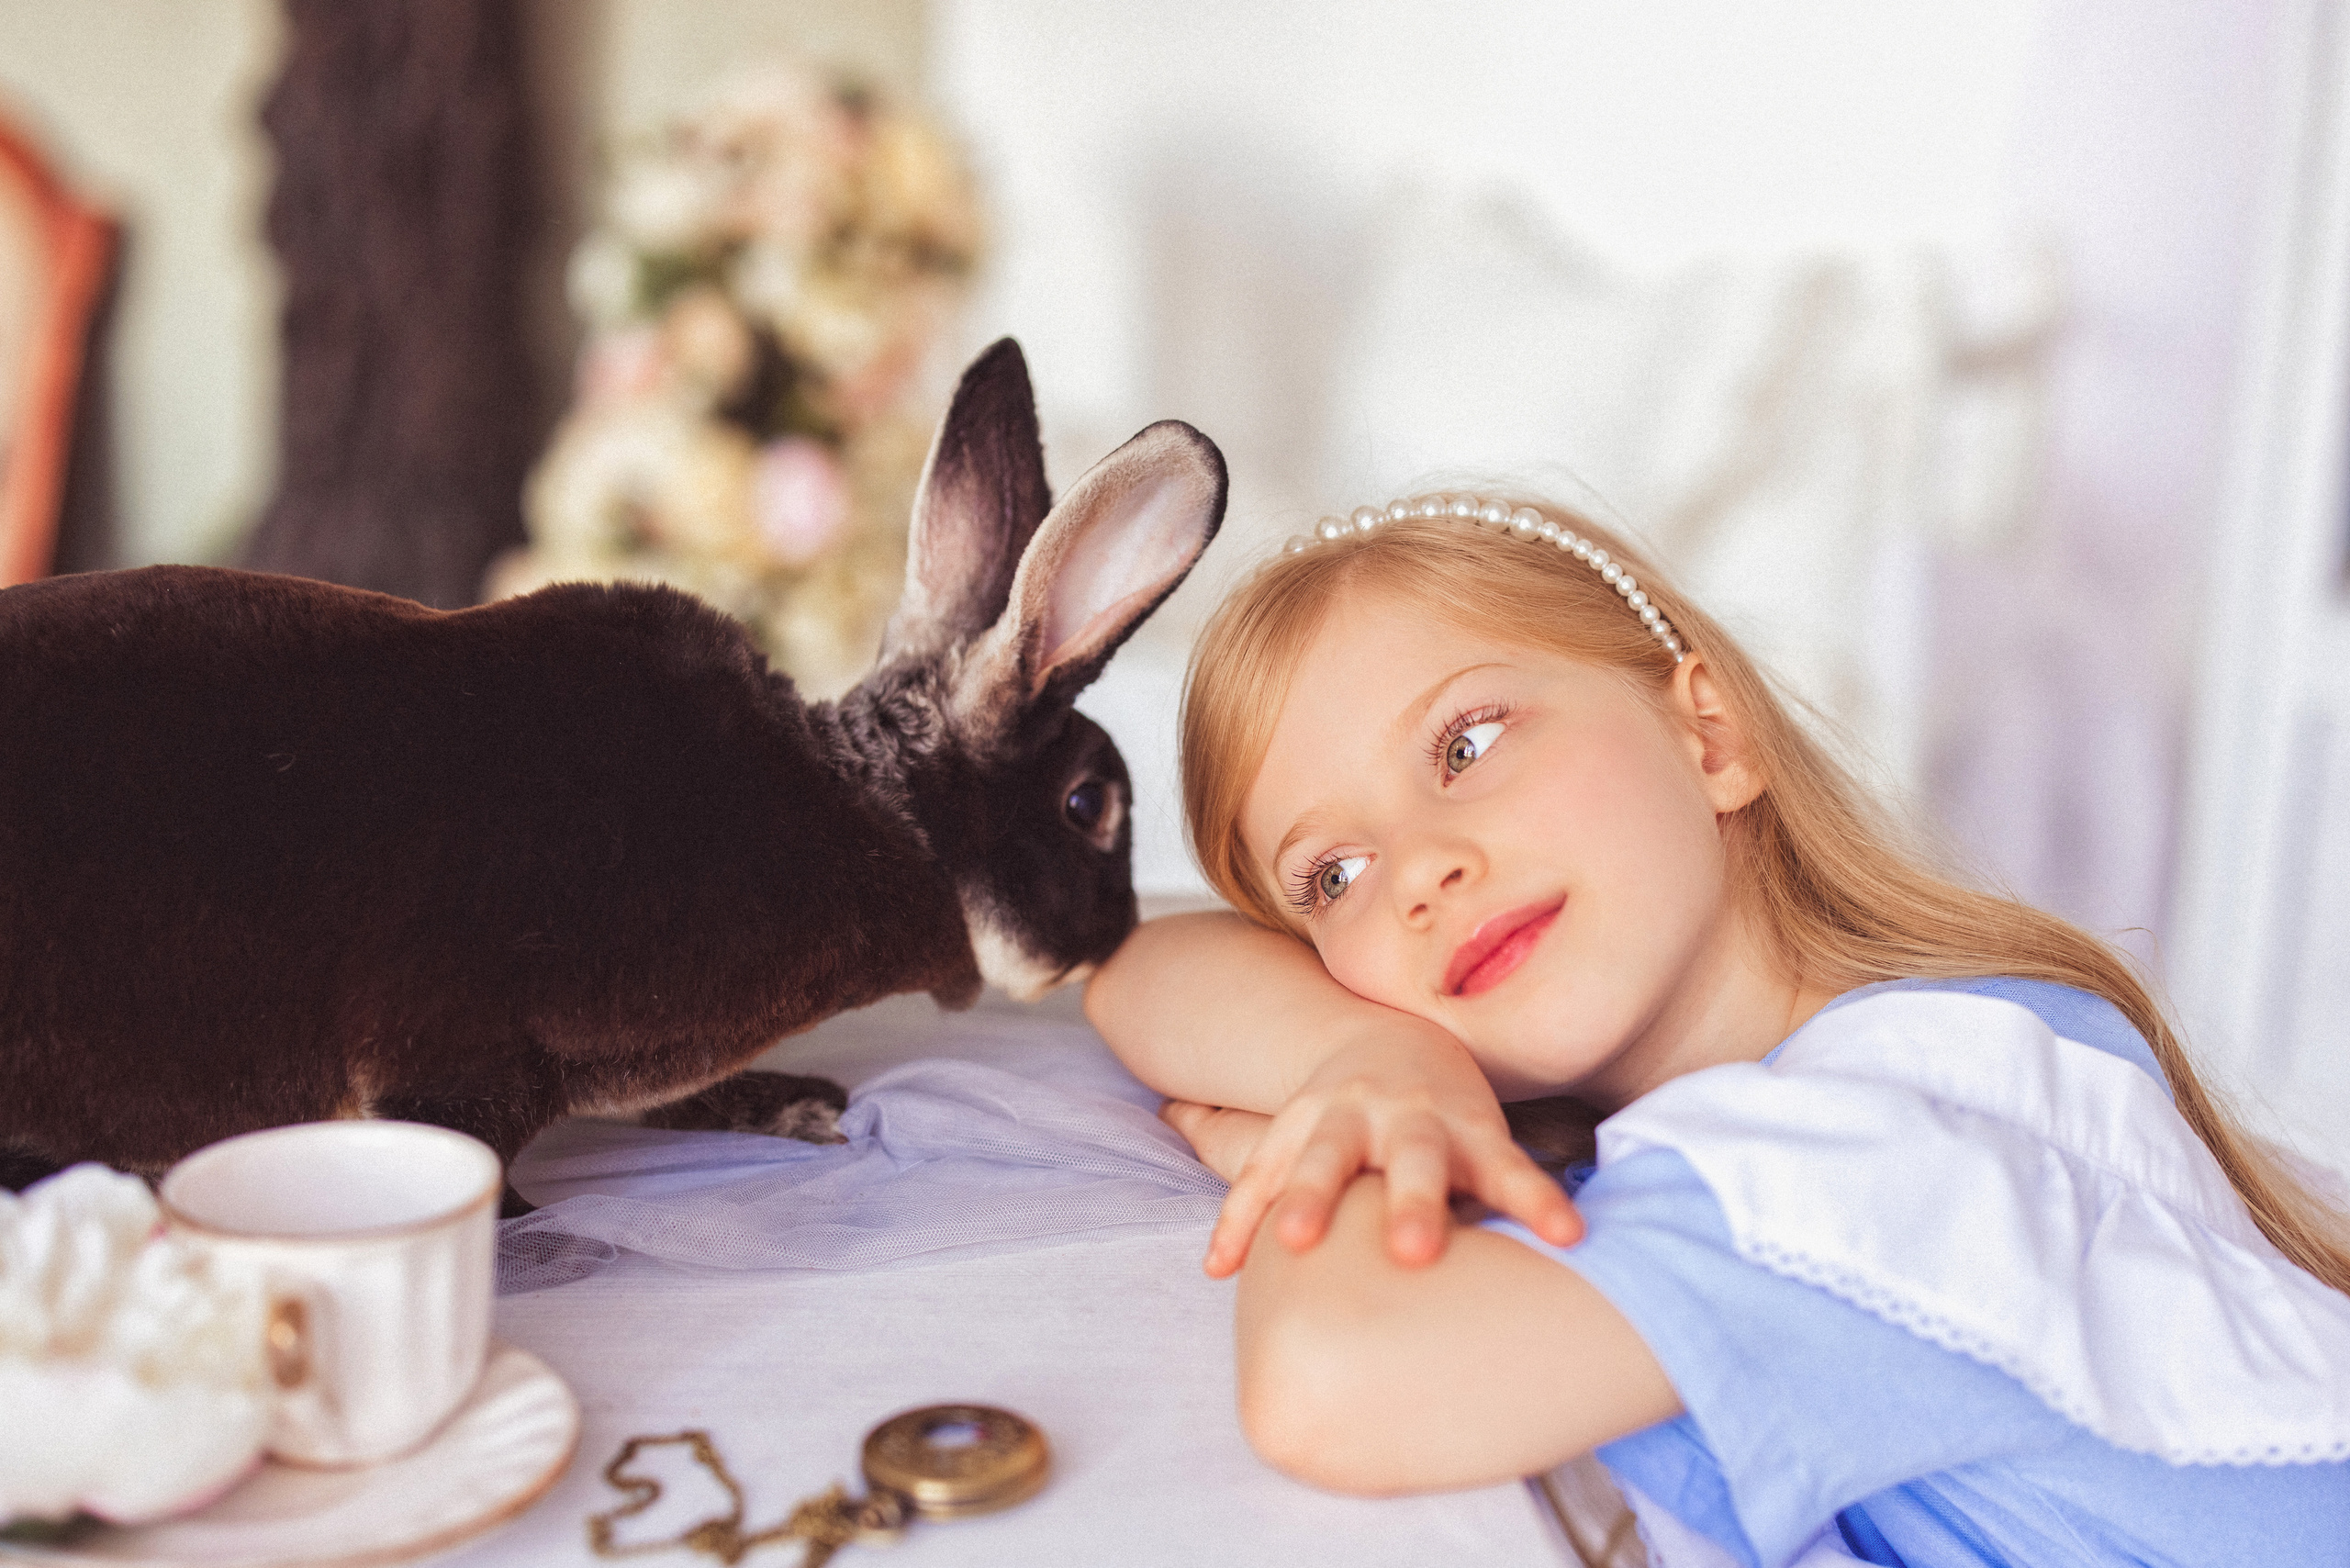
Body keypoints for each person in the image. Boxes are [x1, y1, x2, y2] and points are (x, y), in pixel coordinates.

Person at [1083, 495, 2350, 1567]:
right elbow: (1136, 960)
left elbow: (1330, 1381)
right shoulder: (1919, 1052)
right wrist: (1367, 1064)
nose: (1417, 872)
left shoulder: (1891, 1144)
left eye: (1466, 744)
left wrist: (1339, 1146)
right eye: (1334, 879)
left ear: (1710, 734)